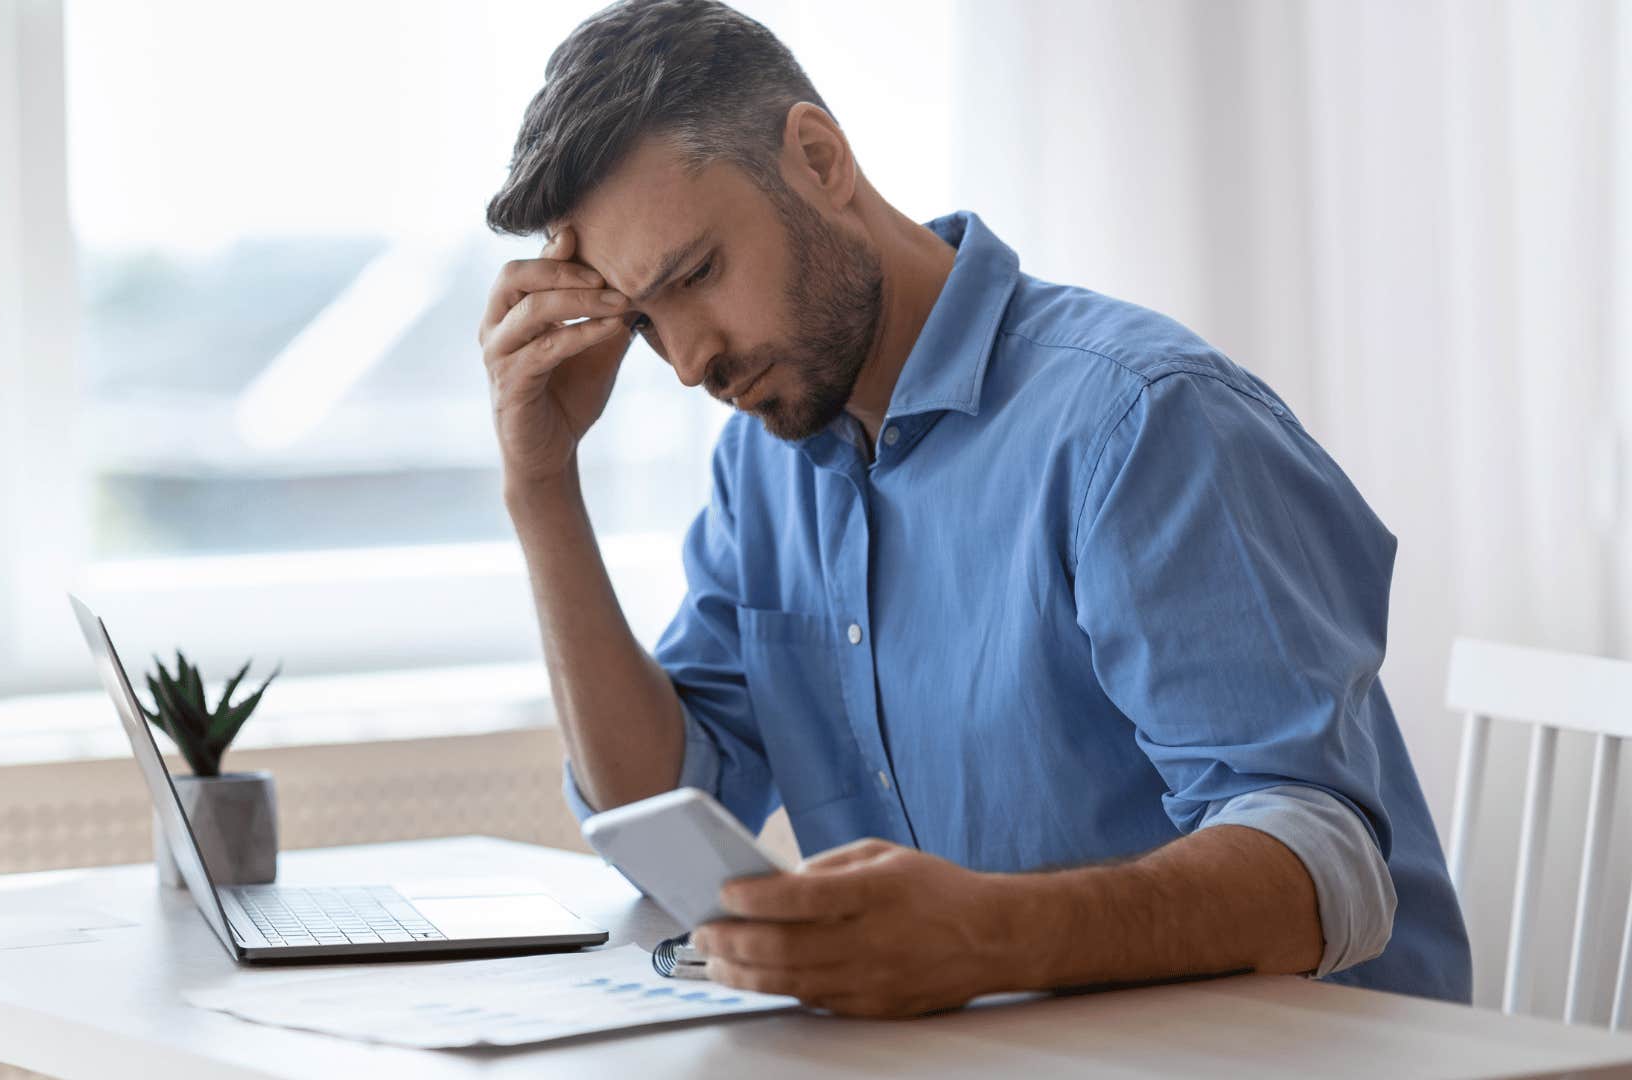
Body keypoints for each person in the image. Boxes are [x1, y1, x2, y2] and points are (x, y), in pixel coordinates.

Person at [476, 0, 1471, 1017]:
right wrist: (543, 487)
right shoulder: (765, 467)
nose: (689, 362)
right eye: (644, 323)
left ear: (818, 159)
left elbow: (1330, 873)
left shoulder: (1141, 422)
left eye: (697, 276)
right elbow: (670, 821)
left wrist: (988, 936)